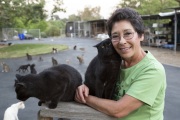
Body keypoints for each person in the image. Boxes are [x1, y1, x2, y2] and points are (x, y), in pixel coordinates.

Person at [75, 7, 166, 120]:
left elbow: (118, 110)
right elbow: (99, 82)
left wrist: (85, 98)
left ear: (141, 35)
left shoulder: (152, 70)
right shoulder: (117, 63)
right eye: (115, 36)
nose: (122, 41)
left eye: (128, 34)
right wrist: (84, 88)